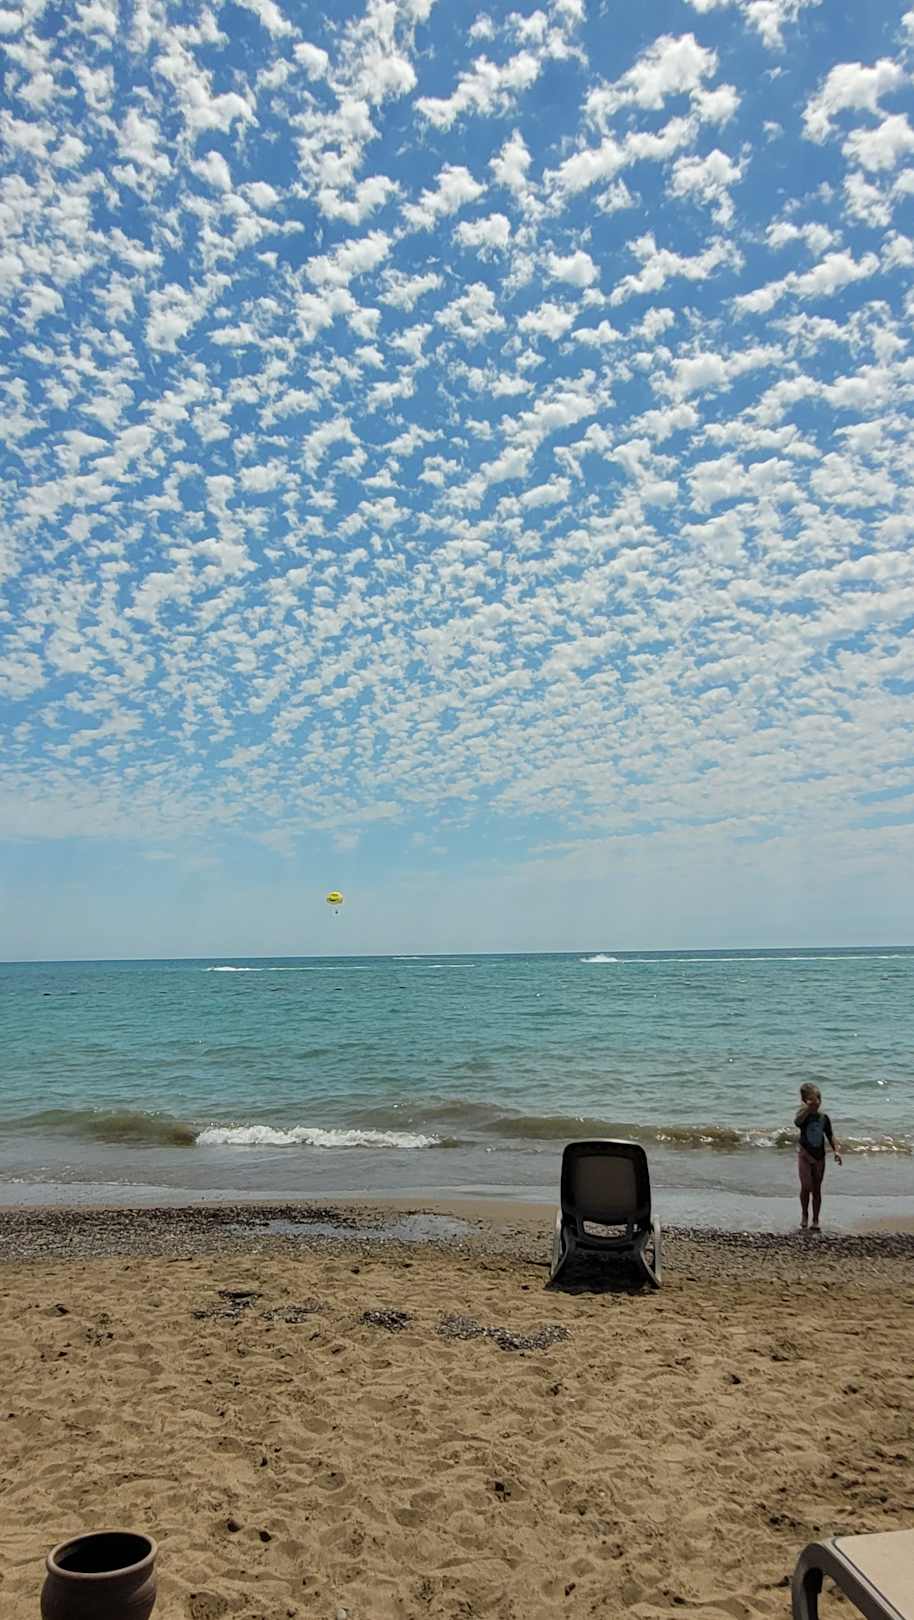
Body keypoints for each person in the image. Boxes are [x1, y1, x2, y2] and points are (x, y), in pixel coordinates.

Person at [795, 1083, 842, 1232]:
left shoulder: (823, 1117)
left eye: (818, 1100)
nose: (816, 1103)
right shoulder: (803, 1116)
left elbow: (830, 1135)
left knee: (816, 1189)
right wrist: (807, 1109)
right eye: (812, 1100)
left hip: (819, 1156)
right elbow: (797, 1122)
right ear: (804, 1101)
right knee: (806, 1186)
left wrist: (836, 1151)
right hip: (805, 1154)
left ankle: (815, 1219)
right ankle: (804, 1214)